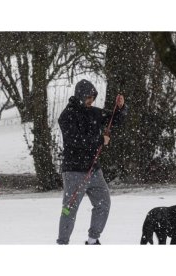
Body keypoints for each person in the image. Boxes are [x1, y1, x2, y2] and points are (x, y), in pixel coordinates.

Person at [56, 79, 127, 245]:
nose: (91, 101)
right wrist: (100, 141)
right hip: (74, 171)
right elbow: (75, 140)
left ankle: (93, 240)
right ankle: (62, 243)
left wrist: (121, 107)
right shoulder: (67, 116)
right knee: (69, 209)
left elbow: (114, 119)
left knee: (104, 204)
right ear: (80, 96)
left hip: (94, 170)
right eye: (89, 97)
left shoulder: (94, 112)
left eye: (93, 98)